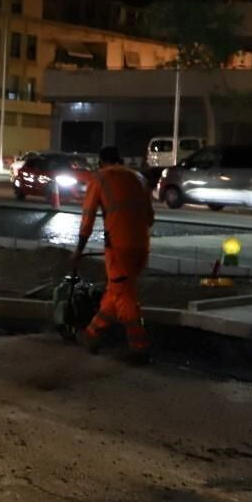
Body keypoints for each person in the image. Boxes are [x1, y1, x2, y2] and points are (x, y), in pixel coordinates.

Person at [71, 145, 154, 360]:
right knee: (116, 290)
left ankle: (139, 346)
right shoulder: (139, 178)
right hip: (141, 247)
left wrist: (79, 250)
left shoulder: (100, 178)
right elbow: (150, 217)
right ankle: (92, 333)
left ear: (101, 162)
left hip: (119, 248)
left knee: (124, 296)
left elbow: (88, 217)